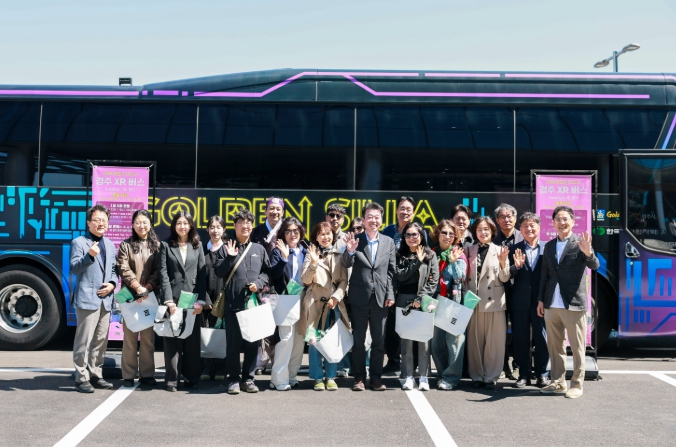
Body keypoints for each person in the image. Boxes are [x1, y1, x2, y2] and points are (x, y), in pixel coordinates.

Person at [538, 206, 599, 399]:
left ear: (572, 222)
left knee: (578, 347)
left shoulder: (580, 243)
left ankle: (577, 384)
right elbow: (544, 275)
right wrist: (541, 300)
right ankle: (558, 382)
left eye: (565, 219)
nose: (562, 222)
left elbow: (594, 265)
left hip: (573, 303)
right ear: (553, 223)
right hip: (551, 304)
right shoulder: (549, 246)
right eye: (558, 219)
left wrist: (588, 253)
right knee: (555, 347)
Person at [214, 209, 271, 395]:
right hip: (233, 304)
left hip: (253, 304)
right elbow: (218, 272)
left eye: (248, 223)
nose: (245, 226)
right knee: (233, 344)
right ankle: (233, 379)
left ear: (252, 226)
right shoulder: (225, 247)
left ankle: (248, 379)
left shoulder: (259, 249)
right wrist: (230, 257)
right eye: (241, 222)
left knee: (252, 344)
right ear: (235, 226)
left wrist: (259, 284)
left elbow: (267, 272)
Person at [342, 202, 396, 391]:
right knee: (358, 341)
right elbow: (345, 264)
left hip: (381, 297)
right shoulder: (355, 240)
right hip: (359, 297)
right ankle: (358, 378)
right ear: (363, 220)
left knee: (378, 341)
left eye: (377, 217)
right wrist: (349, 251)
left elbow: (391, 271)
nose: (373, 220)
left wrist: (390, 293)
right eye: (370, 217)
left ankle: (375, 378)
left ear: (381, 220)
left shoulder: (388, 242)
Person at [70, 204, 118, 393]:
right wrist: (89, 256)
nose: (101, 223)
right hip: (87, 299)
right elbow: (74, 268)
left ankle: (96, 374)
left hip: (106, 299)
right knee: (84, 340)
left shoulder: (110, 244)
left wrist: (112, 284)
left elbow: (113, 270)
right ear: (89, 222)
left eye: (104, 220)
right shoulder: (79, 242)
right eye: (97, 220)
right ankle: (81, 378)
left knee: (100, 340)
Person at [299, 221, 350, 391]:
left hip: (333, 304)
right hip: (314, 303)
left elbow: (344, 281)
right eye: (322, 234)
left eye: (328, 234)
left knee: (332, 340)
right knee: (314, 341)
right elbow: (305, 280)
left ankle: (331, 376)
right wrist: (313, 264)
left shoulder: (339, 255)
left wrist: (336, 297)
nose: (325, 237)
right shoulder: (311, 254)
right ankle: (317, 377)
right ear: (316, 237)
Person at [159, 211, 207, 392]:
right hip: (174, 299)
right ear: (174, 225)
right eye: (179, 223)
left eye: (185, 223)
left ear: (191, 225)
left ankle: (191, 378)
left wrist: (201, 300)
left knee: (192, 342)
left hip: (192, 300)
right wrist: (168, 300)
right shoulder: (166, 245)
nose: (182, 226)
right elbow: (163, 274)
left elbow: (202, 274)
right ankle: (172, 380)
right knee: (172, 342)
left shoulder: (197, 245)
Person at [465, 216, 511, 390]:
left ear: (492, 231)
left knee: (494, 342)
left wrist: (503, 263)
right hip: (473, 301)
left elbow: (505, 278)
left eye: (486, 229)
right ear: (474, 232)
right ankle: (476, 375)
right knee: (474, 341)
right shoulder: (468, 250)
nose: (483, 232)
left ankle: (491, 377)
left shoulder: (500, 250)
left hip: (494, 302)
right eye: (479, 229)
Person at [116, 209, 160, 388]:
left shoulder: (157, 246)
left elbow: (159, 271)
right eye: (138, 222)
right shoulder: (125, 245)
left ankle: (147, 375)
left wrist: (146, 288)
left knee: (148, 339)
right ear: (133, 225)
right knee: (130, 338)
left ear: (150, 224)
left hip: (149, 297)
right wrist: (137, 287)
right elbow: (123, 268)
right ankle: (128, 374)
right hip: (130, 297)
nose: (142, 226)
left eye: (145, 222)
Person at [382, 196, 425, 375]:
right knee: (391, 327)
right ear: (396, 210)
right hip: (390, 283)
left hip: (411, 286)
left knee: (412, 328)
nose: (405, 212)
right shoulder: (388, 231)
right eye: (402, 208)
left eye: (408, 209)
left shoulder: (418, 231)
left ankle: (412, 365)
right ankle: (393, 361)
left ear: (413, 212)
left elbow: (424, 256)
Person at [395, 222, 438, 391]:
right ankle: (408, 376)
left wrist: (421, 298)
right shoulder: (400, 255)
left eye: (415, 234)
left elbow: (433, 281)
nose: (411, 238)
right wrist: (417, 262)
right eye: (408, 235)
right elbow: (400, 276)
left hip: (423, 301)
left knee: (423, 340)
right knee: (406, 340)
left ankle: (424, 377)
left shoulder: (431, 255)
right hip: (404, 300)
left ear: (421, 236)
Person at [508, 212, 550, 388]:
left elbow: (550, 276)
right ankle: (523, 374)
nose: (529, 228)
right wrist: (515, 267)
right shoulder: (513, 248)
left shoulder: (548, 248)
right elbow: (507, 275)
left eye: (532, 225)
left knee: (542, 338)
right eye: (525, 226)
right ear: (520, 229)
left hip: (541, 301)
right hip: (519, 301)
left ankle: (542, 374)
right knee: (520, 338)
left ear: (539, 228)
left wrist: (544, 299)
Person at [269, 217, 308, 390]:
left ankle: (292, 376)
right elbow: (274, 275)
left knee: (299, 341)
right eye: (288, 231)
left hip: (303, 298)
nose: (292, 234)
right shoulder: (278, 251)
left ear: (301, 232)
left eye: (295, 231)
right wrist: (284, 258)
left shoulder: (306, 251)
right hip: (285, 299)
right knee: (285, 340)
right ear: (283, 234)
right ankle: (278, 379)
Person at [430, 220, 468, 390]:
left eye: (451, 234)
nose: (447, 236)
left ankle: (451, 377)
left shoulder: (458, 253)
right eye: (444, 232)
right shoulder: (432, 253)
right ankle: (441, 374)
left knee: (454, 342)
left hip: (453, 302)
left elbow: (460, 277)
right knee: (436, 342)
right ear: (437, 234)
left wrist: (452, 262)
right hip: (435, 301)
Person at [250, 196, 284, 374]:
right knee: (261, 323)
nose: (274, 212)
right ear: (265, 211)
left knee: (278, 324)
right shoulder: (256, 231)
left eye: (278, 209)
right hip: (260, 282)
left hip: (281, 283)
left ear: (282, 212)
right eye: (271, 208)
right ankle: (261, 360)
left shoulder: (286, 230)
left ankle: (277, 359)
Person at [493, 203, 524, 381]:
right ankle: (503, 365)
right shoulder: (493, 239)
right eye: (502, 217)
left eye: (510, 216)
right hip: (498, 291)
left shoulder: (523, 236)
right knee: (500, 331)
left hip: (520, 291)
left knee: (520, 331)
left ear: (515, 218)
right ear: (497, 220)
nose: (507, 219)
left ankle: (518, 366)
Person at [200, 215, 227, 381]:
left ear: (224, 229)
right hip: (207, 301)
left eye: (218, 227)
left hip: (224, 300)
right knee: (207, 333)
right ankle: (207, 367)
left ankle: (222, 368)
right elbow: (197, 277)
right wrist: (205, 299)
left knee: (223, 333)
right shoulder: (201, 250)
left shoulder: (229, 249)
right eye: (212, 227)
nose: (215, 230)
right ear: (207, 229)